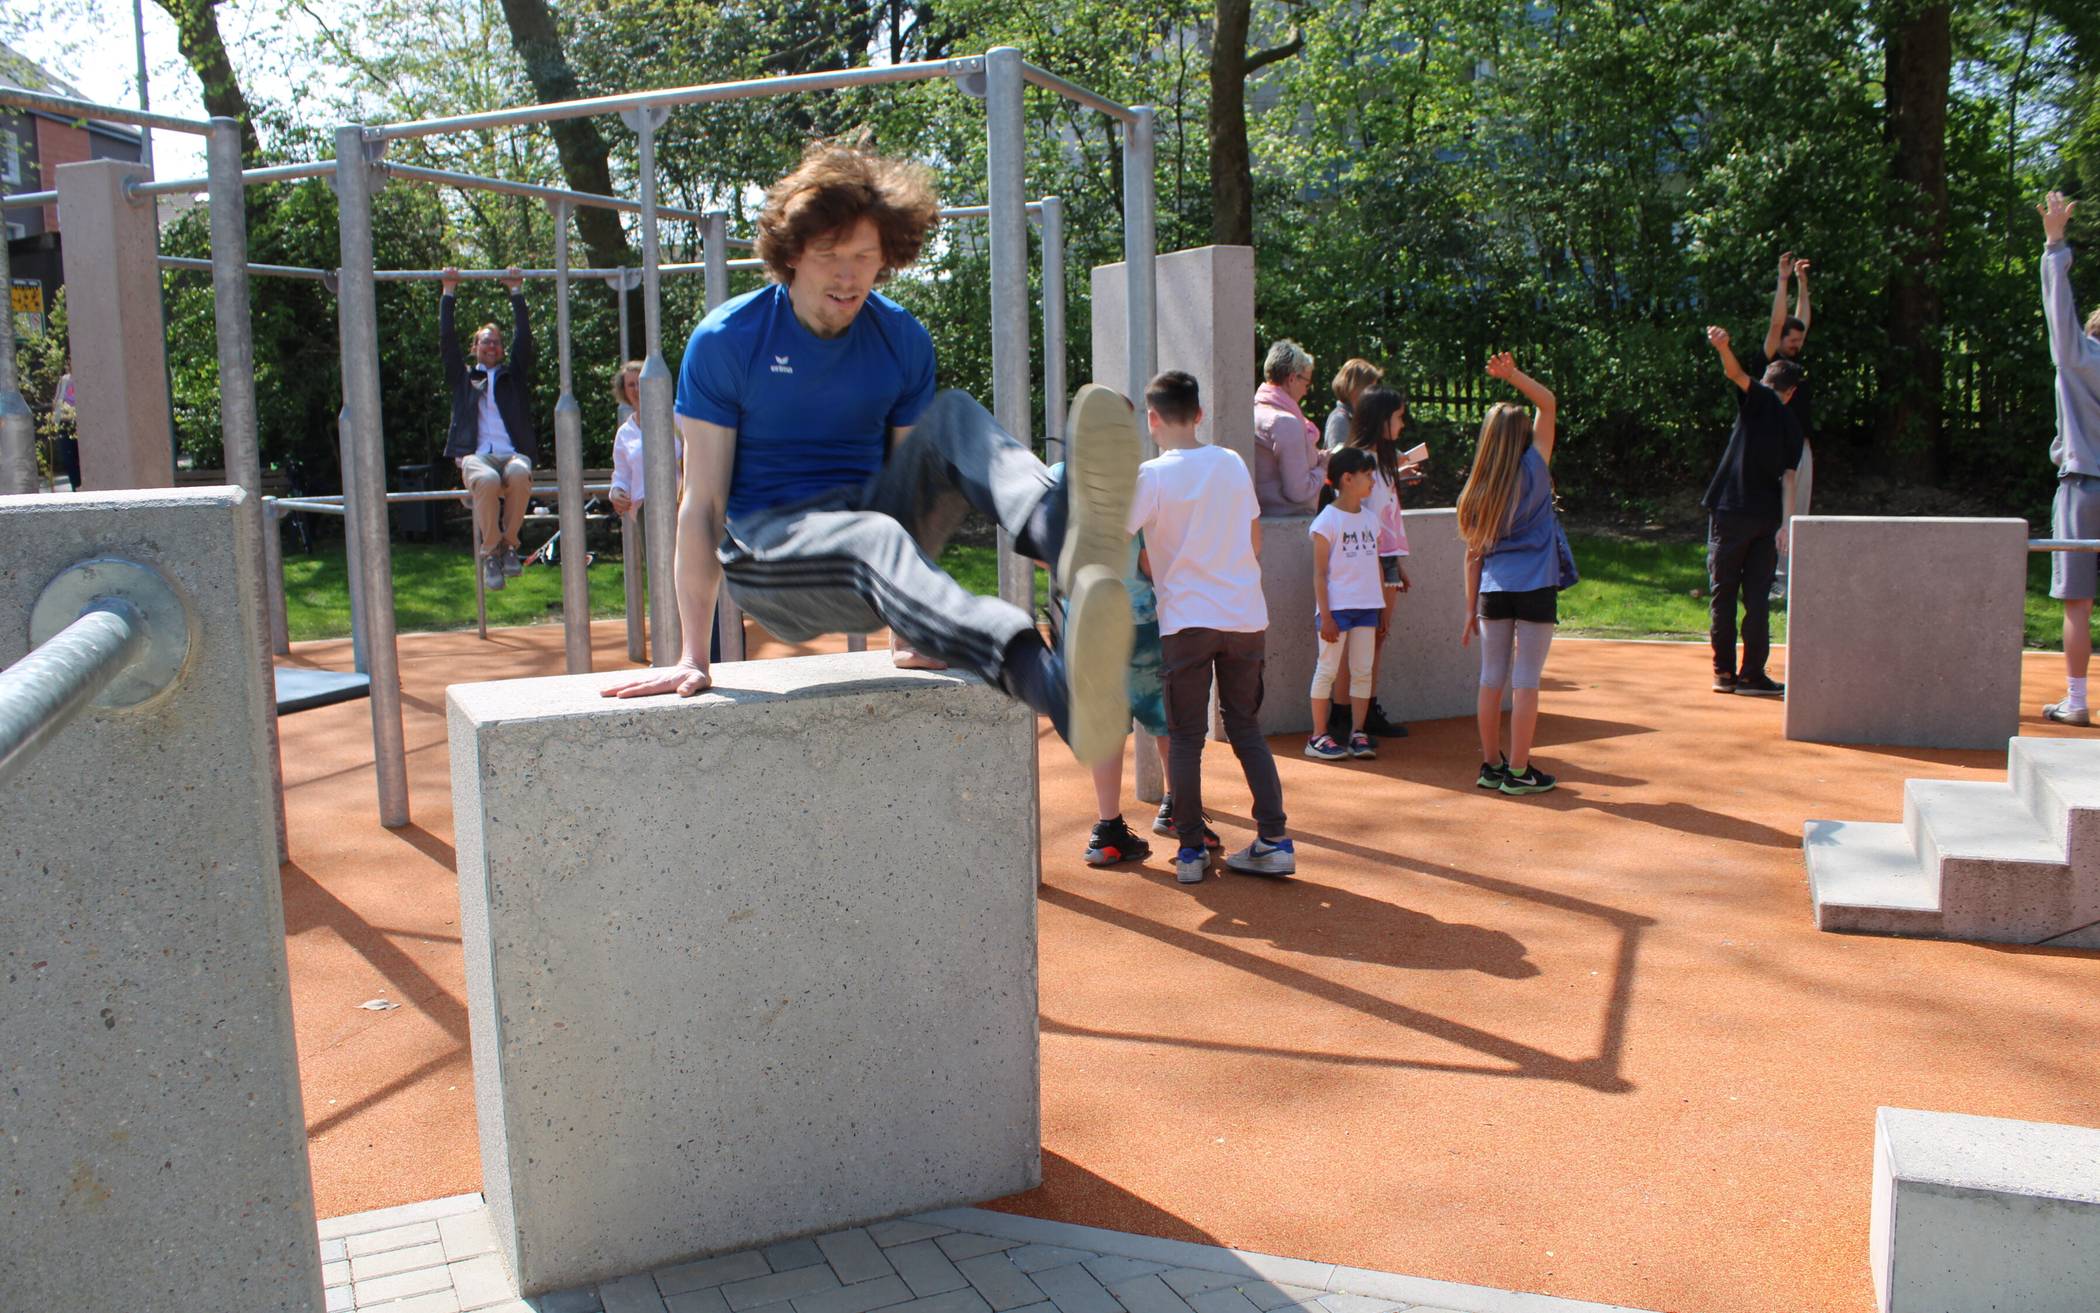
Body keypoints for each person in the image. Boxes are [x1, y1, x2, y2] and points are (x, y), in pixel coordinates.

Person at [601, 140, 1138, 770]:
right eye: (829, 256)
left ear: (887, 256)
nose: (848, 275)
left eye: (864, 256)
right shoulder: (728, 341)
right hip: (767, 557)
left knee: (955, 417)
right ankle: (1053, 685)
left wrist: (910, 633)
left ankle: (1060, 524)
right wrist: (694, 653)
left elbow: (910, 487)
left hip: (868, 530)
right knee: (872, 536)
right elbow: (703, 502)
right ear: (792, 255)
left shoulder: (900, 338)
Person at [1127, 369, 1294, 884]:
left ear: (1153, 419)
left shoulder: (1151, 475)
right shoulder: (1230, 462)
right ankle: (1274, 839)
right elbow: (1255, 542)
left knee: (1185, 737)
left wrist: (1150, 565)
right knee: (1245, 728)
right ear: (1200, 414)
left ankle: (1192, 852)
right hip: (1244, 617)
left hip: (1187, 622)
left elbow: (1120, 540)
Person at [1459, 353, 1571, 797]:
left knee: (1491, 678)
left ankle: (1491, 765)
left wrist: (1469, 609)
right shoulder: (1536, 466)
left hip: (1494, 589)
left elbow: (1472, 555)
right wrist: (1513, 376)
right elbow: (1549, 403)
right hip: (1537, 584)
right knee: (1526, 681)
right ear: (1523, 436)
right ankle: (1520, 770)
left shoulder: (1478, 486)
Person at [1702, 325, 1805, 698]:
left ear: (1767, 381)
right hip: (1765, 517)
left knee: (1723, 592)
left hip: (1730, 510)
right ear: (1791, 392)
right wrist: (1787, 526)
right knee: (1757, 596)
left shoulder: (1758, 397)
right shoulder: (1793, 426)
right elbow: (1790, 480)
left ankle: (1723, 673)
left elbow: (1734, 373)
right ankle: (1752, 675)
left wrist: (1723, 346)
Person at [2037, 191, 2100, 726]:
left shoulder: (2080, 358)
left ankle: (2077, 701)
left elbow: (2062, 315)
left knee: (2077, 602)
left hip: (2083, 484)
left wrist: (2056, 243)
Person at [441, 266, 537, 592]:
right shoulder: (465, 378)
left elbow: (524, 339)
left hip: (510, 454)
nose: (492, 347)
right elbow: (446, 341)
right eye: (485, 342)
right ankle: (490, 552)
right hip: (477, 456)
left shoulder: (513, 377)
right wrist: (448, 293)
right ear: (475, 348)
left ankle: (509, 545)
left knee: (522, 473)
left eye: (496, 342)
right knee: (487, 480)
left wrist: (517, 292)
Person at [1338, 384, 1418, 741]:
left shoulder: (1385, 462)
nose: (1402, 423)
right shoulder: (1357, 462)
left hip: (1385, 560)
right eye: (1398, 417)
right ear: (1381, 418)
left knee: (1378, 637)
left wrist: (1395, 565)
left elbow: (1388, 518)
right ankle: (1344, 714)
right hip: (1361, 561)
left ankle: (1367, 709)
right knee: (1354, 639)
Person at [1305, 446, 1389, 762]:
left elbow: (1376, 566)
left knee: (1362, 670)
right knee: (1326, 669)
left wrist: (1379, 607)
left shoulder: (1371, 520)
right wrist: (1325, 615)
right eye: (1368, 476)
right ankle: (1317, 735)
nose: (1372, 482)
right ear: (1348, 479)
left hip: (1367, 608)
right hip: (1337, 610)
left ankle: (1358, 732)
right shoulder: (1326, 521)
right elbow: (1319, 574)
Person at [1749, 252, 1814, 598]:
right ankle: (1767, 576)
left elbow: (1801, 321)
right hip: (1769, 450)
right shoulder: (1769, 362)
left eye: (1799, 340)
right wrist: (1784, 279)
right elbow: (1778, 324)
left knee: (1796, 515)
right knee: (1770, 510)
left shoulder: (1795, 364)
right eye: (1792, 339)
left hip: (1798, 447)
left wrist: (1804, 284)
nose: (1796, 344)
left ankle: (1785, 580)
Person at [1252, 339, 1326, 514]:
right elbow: (1299, 491)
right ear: (1292, 378)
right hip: (1290, 523)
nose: (1306, 391)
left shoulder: (1254, 412)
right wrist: (1323, 468)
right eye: (1307, 383)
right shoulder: (1285, 422)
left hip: (1264, 520)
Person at [607, 359, 681, 519]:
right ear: (624, 391)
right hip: (644, 512)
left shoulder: (677, 419)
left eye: (641, 382)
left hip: (682, 507)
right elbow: (622, 475)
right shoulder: (624, 433)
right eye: (631, 385)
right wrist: (616, 492)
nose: (637, 389)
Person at [1324, 357, 1384, 451]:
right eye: (1370, 388)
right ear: (1354, 388)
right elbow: (1338, 460)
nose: (1373, 393)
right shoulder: (1340, 419)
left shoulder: (1359, 417)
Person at [49, 365, 78, 491]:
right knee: (68, 459)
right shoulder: (64, 380)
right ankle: (75, 488)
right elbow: (57, 399)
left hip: (78, 423)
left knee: (79, 459)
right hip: (65, 423)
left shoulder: (86, 379)